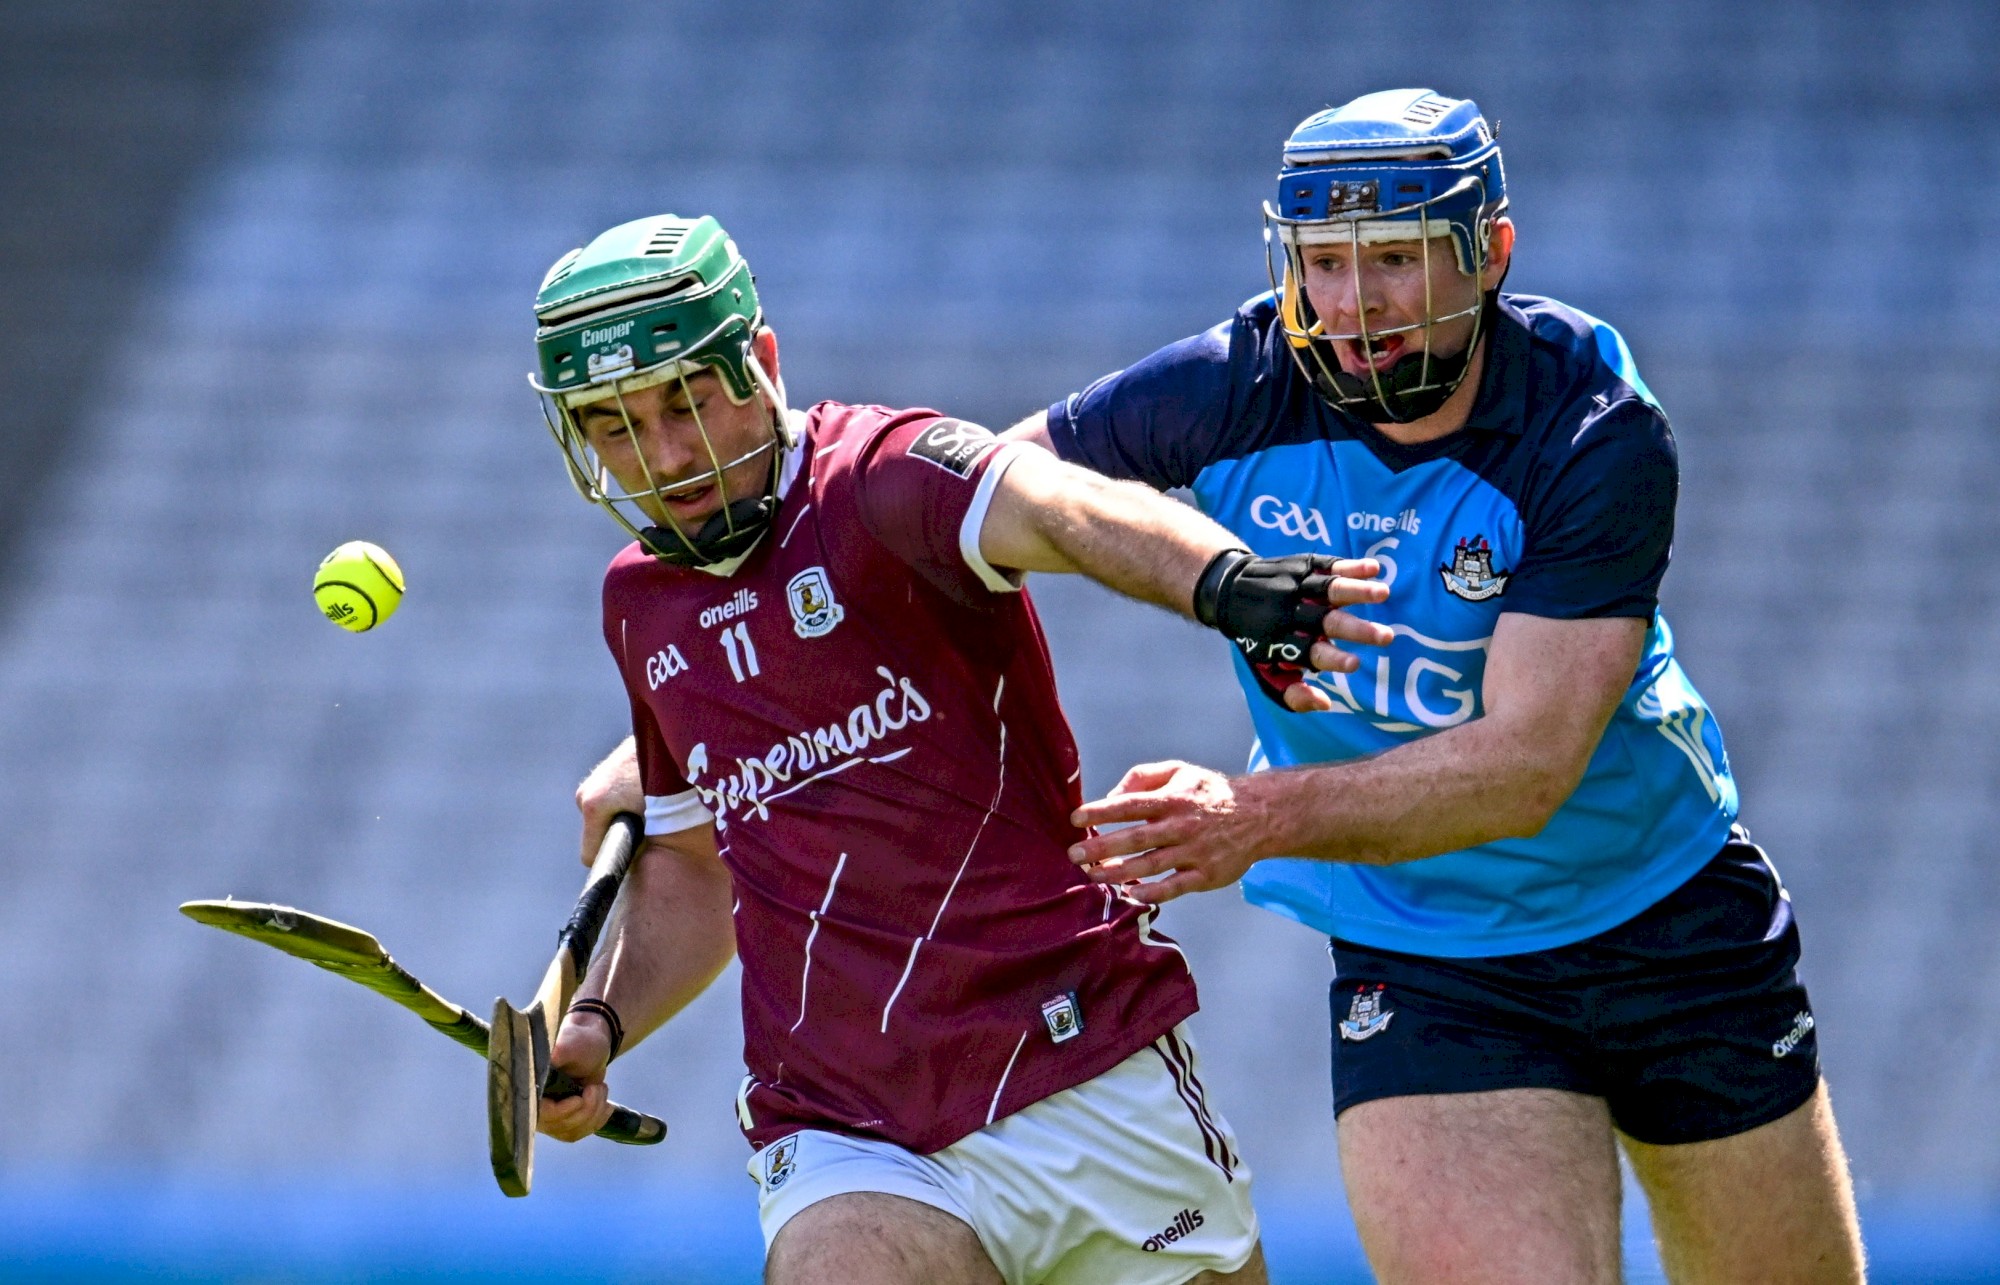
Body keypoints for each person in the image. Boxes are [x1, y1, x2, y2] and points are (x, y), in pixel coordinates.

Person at [1004, 89, 1868, 1284]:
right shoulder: (1231, 384)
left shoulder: (1588, 424)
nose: (1353, 308)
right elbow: (975, 498)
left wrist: (1248, 822)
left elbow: (1523, 770)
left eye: (1394, 261)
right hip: (1423, 955)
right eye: (1322, 266)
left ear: (1490, 253)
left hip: (1666, 914)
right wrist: (1216, 583)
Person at [523, 211, 1388, 1285]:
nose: (662, 457)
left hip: (1079, 1064)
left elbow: (1064, 506)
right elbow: (699, 864)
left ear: (762, 365)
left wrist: (1222, 581)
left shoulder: (884, 478)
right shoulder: (638, 605)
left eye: (687, 403)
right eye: (612, 423)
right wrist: (600, 1023)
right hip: (844, 1125)